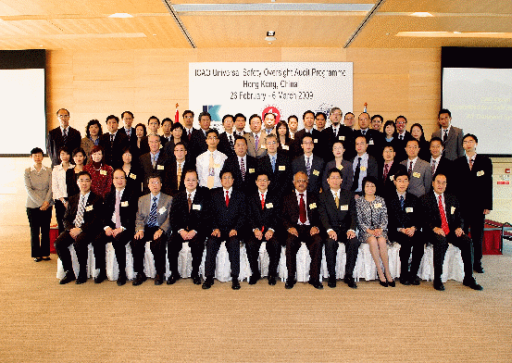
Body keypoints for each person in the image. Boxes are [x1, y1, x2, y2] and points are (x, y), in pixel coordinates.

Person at [421, 174, 483, 291]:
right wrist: (434, 228)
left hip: (451, 231)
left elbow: (460, 216)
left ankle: (468, 277)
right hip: (434, 231)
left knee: (467, 241)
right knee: (441, 241)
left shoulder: (452, 198)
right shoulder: (425, 199)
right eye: (438, 182)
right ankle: (438, 279)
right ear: (433, 183)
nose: (441, 185)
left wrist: (459, 227)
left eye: (444, 182)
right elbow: (423, 219)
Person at [56, 171, 104, 285]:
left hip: (88, 229)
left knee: (80, 242)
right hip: (73, 228)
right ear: (77, 183)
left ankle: (83, 272)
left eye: (87, 180)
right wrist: (71, 229)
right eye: (81, 180)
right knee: (58, 243)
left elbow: (96, 220)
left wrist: (81, 229)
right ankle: (69, 272)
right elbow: (66, 218)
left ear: (91, 182)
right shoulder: (72, 199)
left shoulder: (97, 199)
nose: (84, 183)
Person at [454, 134, 493, 273]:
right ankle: (463, 262)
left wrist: (488, 205)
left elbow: (488, 183)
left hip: (478, 206)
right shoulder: (458, 162)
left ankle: (477, 262)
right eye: (465, 142)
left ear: (476, 144)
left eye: (471, 141)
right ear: (462, 145)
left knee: (477, 236)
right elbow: (455, 186)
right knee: (462, 235)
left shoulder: (485, 161)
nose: (468, 144)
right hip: (462, 207)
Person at [202, 170, 246, 290]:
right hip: (218, 230)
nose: (227, 180)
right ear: (220, 180)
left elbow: (243, 215)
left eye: (229, 178)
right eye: (224, 178)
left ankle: (235, 278)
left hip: (233, 230)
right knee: (211, 243)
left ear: (233, 180)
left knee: (234, 244)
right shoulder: (213, 194)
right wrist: (214, 228)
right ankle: (209, 277)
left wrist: (236, 228)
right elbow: (209, 214)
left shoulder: (240, 195)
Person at [281, 171, 324, 290]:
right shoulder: (287, 198)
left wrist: (316, 226)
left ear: (307, 182)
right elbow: (283, 217)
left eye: (303, 181)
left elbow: (321, 215)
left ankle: (314, 278)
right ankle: (290, 277)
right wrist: (289, 227)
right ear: (294, 183)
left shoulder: (314, 197)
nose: (301, 183)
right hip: (295, 229)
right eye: (298, 181)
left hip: (310, 229)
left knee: (318, 241)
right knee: (289, 242)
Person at [318, 168, 359, 288]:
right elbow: (322, 215)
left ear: (341, 180)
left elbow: (353, 214)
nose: (335, 180)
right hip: (331, 229)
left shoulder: (349, 195)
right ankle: (332, 275)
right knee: (330, 243)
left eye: (337, 178)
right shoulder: (322, 196)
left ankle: (349, 275)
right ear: (328, 180)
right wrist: (329, 230)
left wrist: (352, 229)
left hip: (346, 229)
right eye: (332, 178)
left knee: (354, 241)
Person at [96, 169, 139, 285]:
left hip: (126, 228)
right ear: (112, 180)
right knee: (98, 240)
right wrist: (107, 227)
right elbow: (104, 214)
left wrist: (122, 228)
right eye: (116, 178)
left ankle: (122, 273)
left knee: (118, 241)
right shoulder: (109, 195)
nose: (119, 181)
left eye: (122, 178)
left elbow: (133, 215)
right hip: (111, 227)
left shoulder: (132, 194)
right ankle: (102, 271)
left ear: (125, 180)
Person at [168, 170, 211, 285]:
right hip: (181, 230)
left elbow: (206, 217)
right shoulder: (177, 196)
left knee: (198, 244)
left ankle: (195, 273)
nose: (191, 182)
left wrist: (195, 230)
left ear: (197, 181)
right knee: (172, 242)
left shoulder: (203, 196)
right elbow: (173, 217)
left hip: (197, 230)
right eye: (188, 180)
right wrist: (181, 230)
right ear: (184, 181)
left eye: (193, 180)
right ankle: (174, 273)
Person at [384, 170, 424, 285]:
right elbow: (387, 219)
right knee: (406, 242)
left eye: (405, 180)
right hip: (395, 230)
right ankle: (404, 274)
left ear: (408, 183)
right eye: (399, 181)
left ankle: (414, 273)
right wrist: (401, 229)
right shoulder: (388, 199)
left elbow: (419, 217)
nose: (402, 183)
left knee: (420, 240)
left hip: (411, 229)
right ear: (395, 182)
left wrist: (413, 227)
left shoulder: (414, 199)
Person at [132, 174, 173, 286]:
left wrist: (161, 230)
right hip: (146, 228)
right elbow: (139, 217)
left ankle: (160, 273)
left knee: (158, 243)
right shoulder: (142, 199)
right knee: (136, 242)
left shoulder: (169, 199)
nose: (154, 185)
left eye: (157, 182)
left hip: (159, 227)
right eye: (152, 183)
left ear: (161, 184)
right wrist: (140, 229)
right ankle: (140, 273)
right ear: (148, 185)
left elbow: (170, 218)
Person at [355, 176, 394, 287]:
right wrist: (369, 230)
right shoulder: (359, 201)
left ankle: (387, 271)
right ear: (363, 188)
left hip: (380, 230)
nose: (370, 188)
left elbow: (385, 217)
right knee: (372, 241)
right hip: (365, 231)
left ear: (376, 187)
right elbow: (359, 220)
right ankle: (380, 272)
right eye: (367, 186)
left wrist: (380, 229)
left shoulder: (380, 200)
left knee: (381, 241)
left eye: (372, 186)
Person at [245, 172, 281, 286]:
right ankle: (255, 273)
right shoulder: (250, 197)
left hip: (270, 230)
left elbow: (277, 215)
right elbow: (248, 216)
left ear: (269, 182)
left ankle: (272, 274)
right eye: (260, 180)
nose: (262, 182)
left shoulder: (275, 197)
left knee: (275, 244)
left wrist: (271, 229)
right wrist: (255, 229)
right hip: (256, 231)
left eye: (265, 180)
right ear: (256, 182)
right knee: (250, 244)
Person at [24, 147, 53, 262]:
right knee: (35, 230)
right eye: (35, 155)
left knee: (45, 230)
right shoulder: (27, 171)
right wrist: (42, 203)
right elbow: (28, 189)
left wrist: (46, 202)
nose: (37, 157)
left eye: (39, 155)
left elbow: (51, 187)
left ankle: (45, 253)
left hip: (47, 203)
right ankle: (36, 254)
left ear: (43, 156)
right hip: (32, 205)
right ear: (31, 157)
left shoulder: (48, 170)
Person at [257, 133, 292, 198]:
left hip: (284, 195)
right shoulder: (260, 162)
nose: (271, 145)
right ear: (266, 146)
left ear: (278, 144)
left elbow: (288, 178)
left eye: (274, 142)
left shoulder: (285, 159)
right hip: (267, 195)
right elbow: (260, 180)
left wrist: (281, 192)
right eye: (269, 143)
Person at [52, 147, 73, 234]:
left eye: (67, 154)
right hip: (60, 201)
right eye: (62, 154)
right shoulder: (56, 169)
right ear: (59, 156)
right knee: (61, 224)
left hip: (72, 200)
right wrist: (64, 201)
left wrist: (70, 201)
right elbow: (55, 187)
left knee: (72, 224)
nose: (65, 156)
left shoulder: (74, 168)